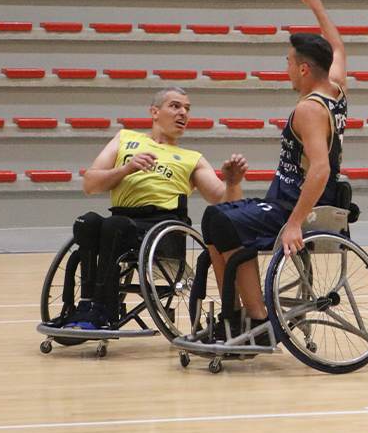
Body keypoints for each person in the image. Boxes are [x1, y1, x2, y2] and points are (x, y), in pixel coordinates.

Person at [201, 0, 347, 341]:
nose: (285, 68)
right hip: (301, 200)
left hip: (296, 205)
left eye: (288, 63)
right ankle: (235, 318)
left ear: (303, 69)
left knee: (219, 221)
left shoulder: (309, 109)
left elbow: (321, 167)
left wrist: (295, 223)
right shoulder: (336, 88)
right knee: (217, 220)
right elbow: (338, 47)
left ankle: (258, 322)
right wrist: (316, 3)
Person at [61, 87, 248, 329]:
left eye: (187, 109)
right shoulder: (125, 139)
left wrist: (233, 183)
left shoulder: (192, 158)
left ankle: (101, 308)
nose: (183, 113)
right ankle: (84, 305)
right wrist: (127, 168)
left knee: (112, 225)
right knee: (87, 221)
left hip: (161, 228)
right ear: (154, 112)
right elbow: (90, 184)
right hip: (120, 221)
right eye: (175, 106)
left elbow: (225, 204)